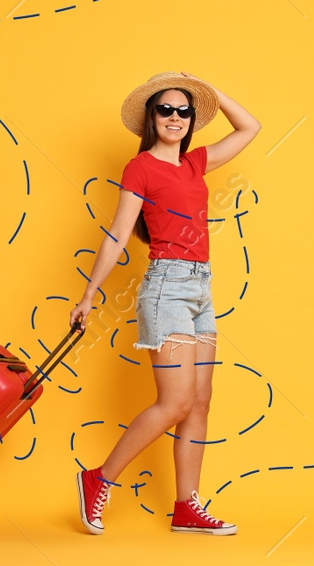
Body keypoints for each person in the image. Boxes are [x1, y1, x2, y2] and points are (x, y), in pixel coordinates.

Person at [67, 72, 260, 535]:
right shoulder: (141, 169)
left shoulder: (195, 163)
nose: (175, 117)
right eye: (165, 110)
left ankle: (186, 507)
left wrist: (207, 89)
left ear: (192, 119)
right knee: (174, 402)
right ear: (151, 119)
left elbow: (250, 127)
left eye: (184, 110)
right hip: (166, 288)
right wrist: (90, 294)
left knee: (199, 402)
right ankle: (99, 479)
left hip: (201, 289)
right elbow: (117, 234)